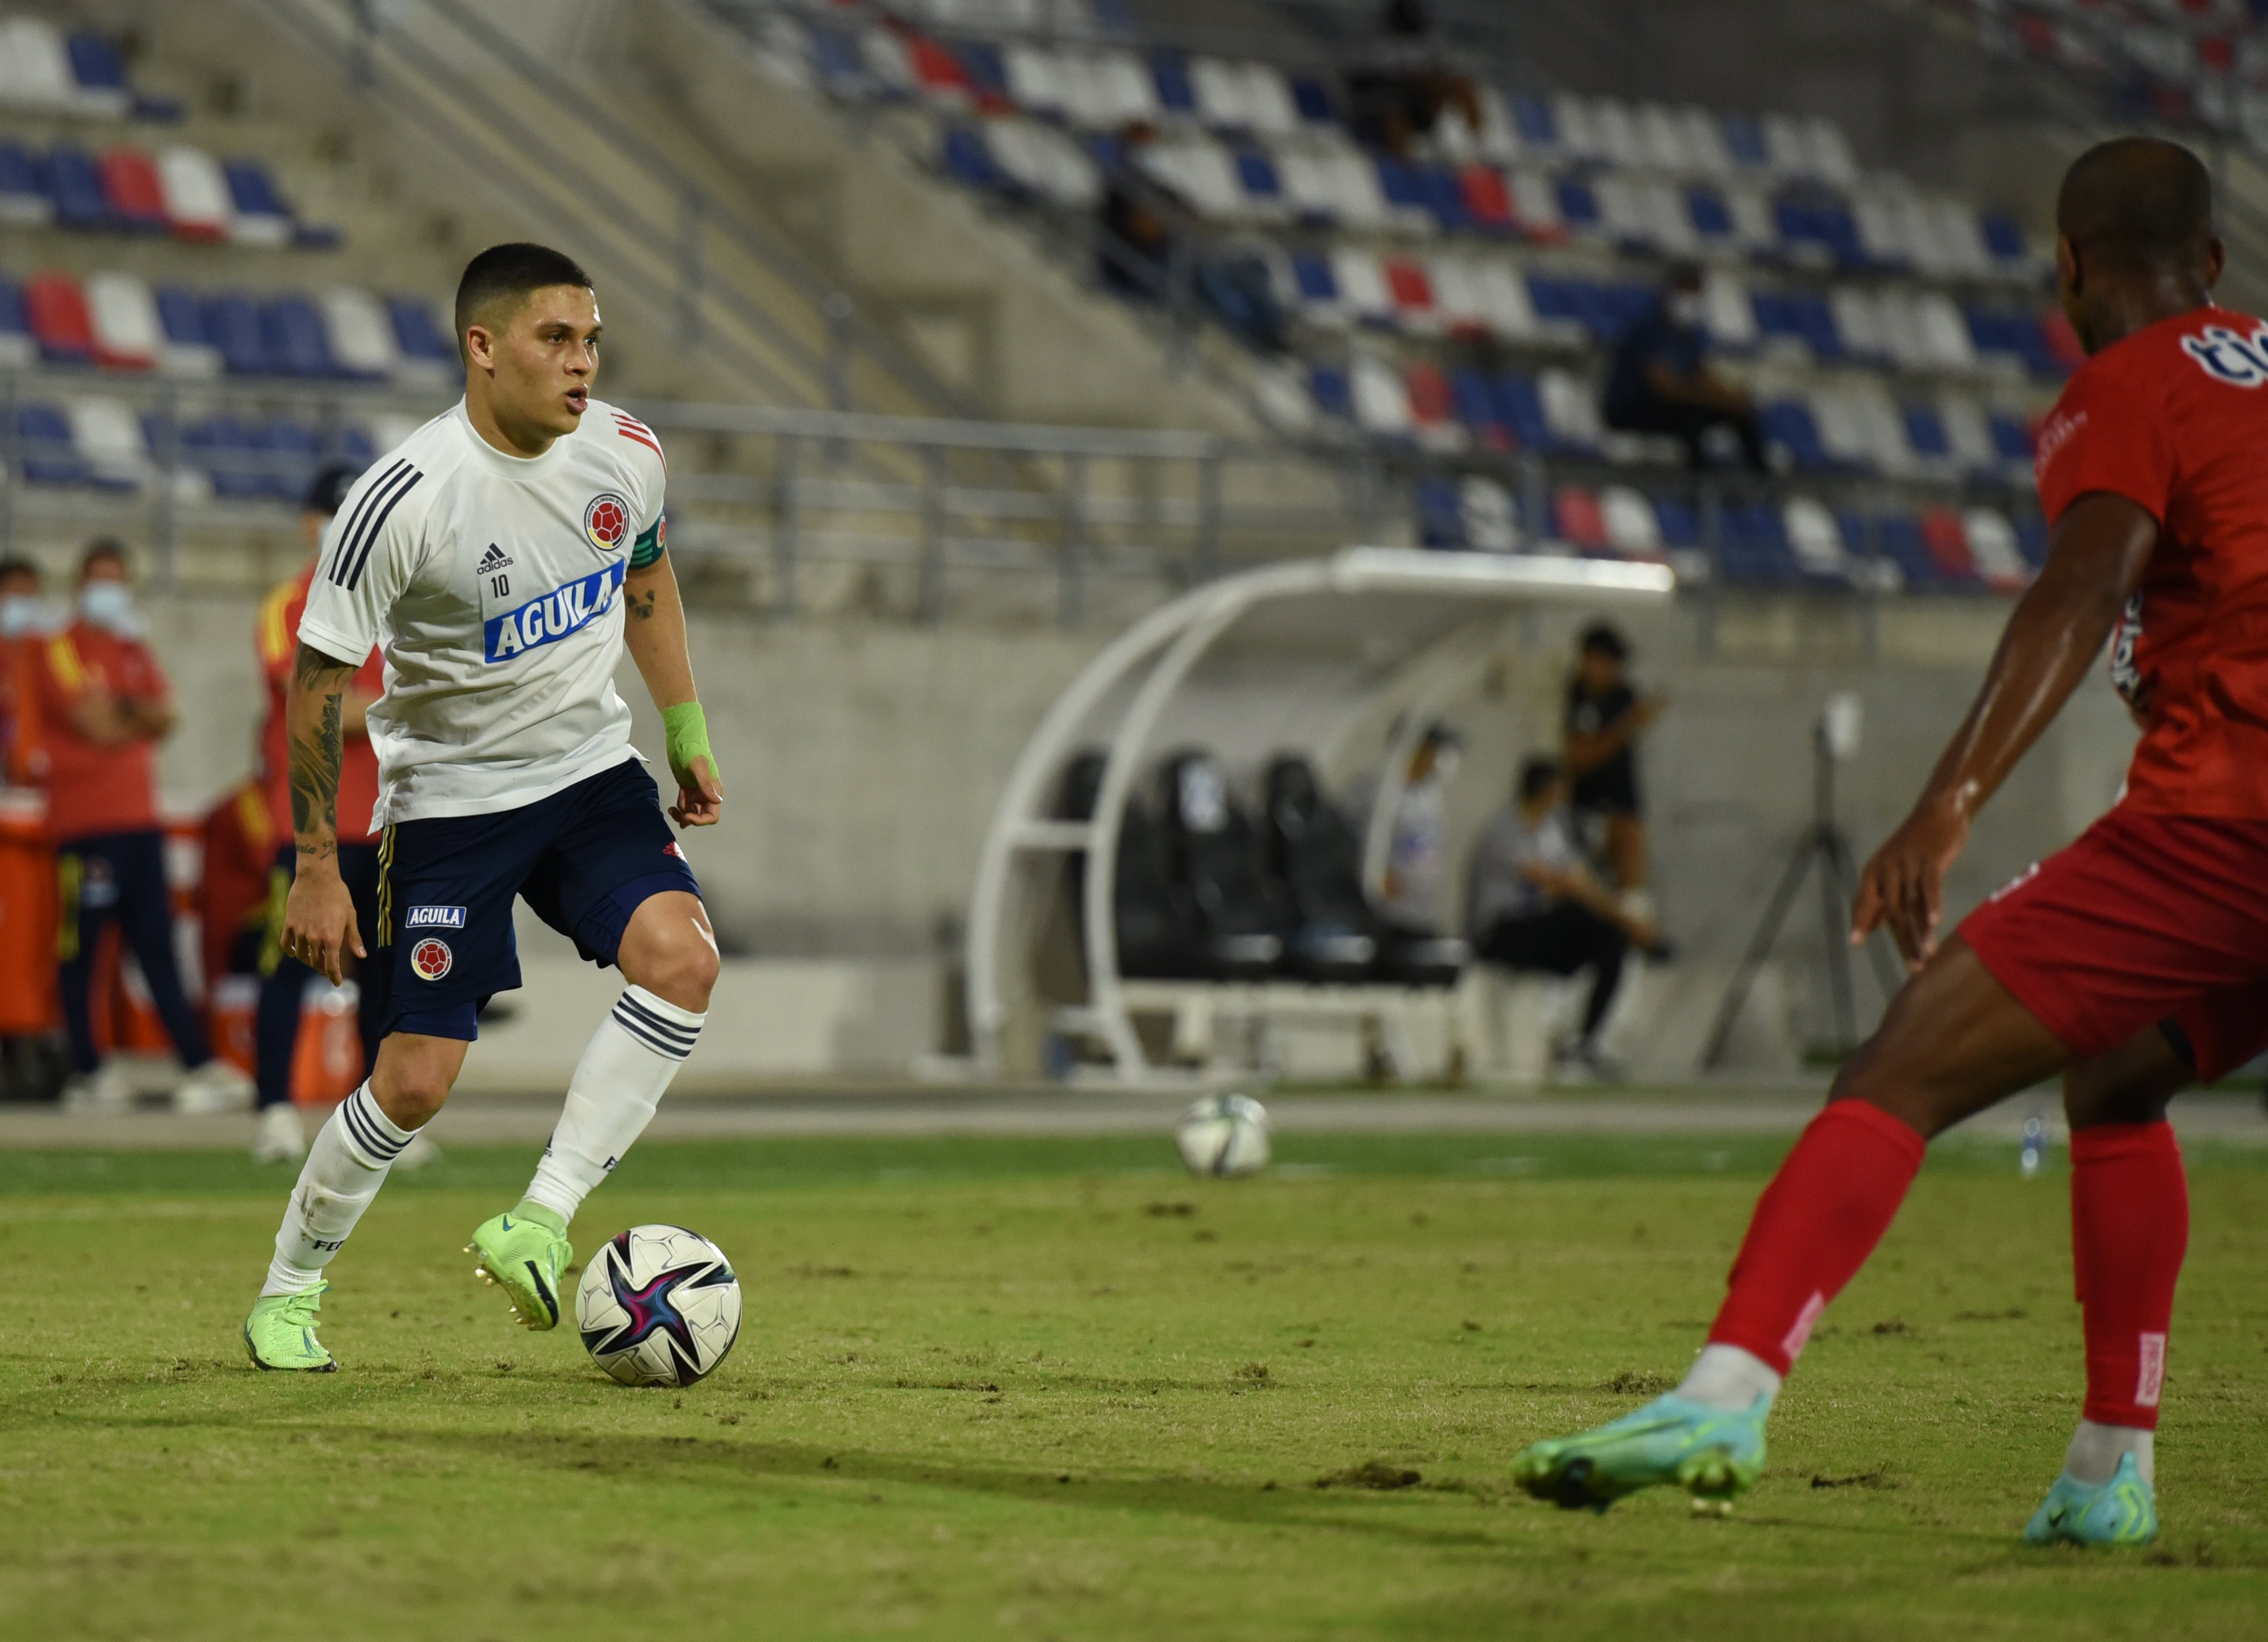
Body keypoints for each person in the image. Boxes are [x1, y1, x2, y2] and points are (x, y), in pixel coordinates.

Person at [1512, 136, 2258, 1549]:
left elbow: (2074, 590)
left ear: (2065, 268)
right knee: (2115, 1071)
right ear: (2214, 265)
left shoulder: (2125, 383)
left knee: (1898, 1064)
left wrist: (1948, 797)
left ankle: (1723, 1391)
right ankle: (2107, 1469)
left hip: (2230, 816)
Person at [241, 243, 725, 1373]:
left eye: (592, 339)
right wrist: (319, 860)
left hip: (591, 775)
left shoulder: (625, 453)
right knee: (413, 1080)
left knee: (685, 959)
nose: (582, 364)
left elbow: (646, 576)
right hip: (453, 805)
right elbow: (318, 685)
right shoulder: (401, 500)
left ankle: (540, 1218)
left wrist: (686, 730)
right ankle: (289, 1287)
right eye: (557, 339)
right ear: (484, 346)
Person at [26, 541, 252, 1115]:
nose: (111, 591)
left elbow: (167, 714)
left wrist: (127, 708)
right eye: (102, 579)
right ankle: (88, 1070)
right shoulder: (59, 647)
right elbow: (95, 723)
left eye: (119, 580)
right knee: (83, 951)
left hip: (139, 822)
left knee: (156, 951)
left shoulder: (132, 647)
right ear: (80, 585)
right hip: (86, 825)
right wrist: (136, 712)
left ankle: (199, 1065)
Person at [247, 462, 386, 1165]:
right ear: (312, 523)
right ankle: (274, 1109)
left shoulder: (395, 605)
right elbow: (319, 708)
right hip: (308, 829)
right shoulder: (286, 607)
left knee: (386, 979)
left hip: (388, 823)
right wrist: (395, 709)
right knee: (288, 968)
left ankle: (377, 1120)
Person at [1466, 757, 1661, 1076]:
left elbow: (1581, 877)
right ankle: (1568, 1039)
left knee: (1611, 941)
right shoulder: (1504, 829)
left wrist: (1622, 920)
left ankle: (1586, 1044)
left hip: (1536, 931)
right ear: (1548, 790)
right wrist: (1628, 920)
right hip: (1503, 933)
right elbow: (1561, 883)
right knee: (1586, 918)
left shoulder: (1548, 830)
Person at [1601, 262, 1767, 472]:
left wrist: (1731, 399)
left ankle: (1761, 480)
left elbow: (1700, 376)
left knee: (1739, 414)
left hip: (1674, 406)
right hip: (1632, 409)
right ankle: (1698, 482)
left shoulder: (1688, 335)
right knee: (1693, 415)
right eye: (1685, 293)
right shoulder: (1648, 329)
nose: (1690, 302)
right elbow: (1665, 387)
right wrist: (1710, 398)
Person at [1563, 623, 1664, 901]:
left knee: (1630, 842)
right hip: (1584, 809)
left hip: (1620, 807)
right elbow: (1579, 757)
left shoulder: (1622, 696)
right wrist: (1627, 725)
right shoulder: (1576, 696)